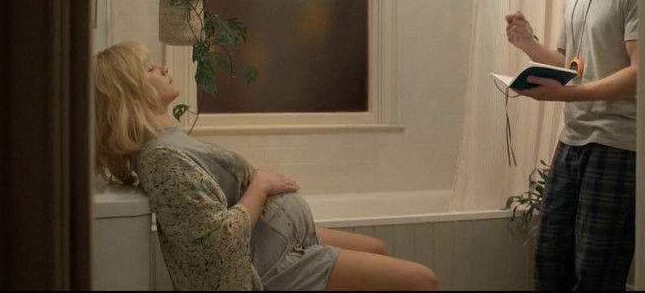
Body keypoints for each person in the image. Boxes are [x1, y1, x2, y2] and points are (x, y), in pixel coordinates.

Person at [94, 41, 439, 291]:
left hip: (274, 242)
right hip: (268, 266)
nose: (163, 68)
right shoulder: (162, 159)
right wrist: (261, 185)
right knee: (422, 281)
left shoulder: (167, 142)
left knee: (377, 249)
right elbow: (215, 247)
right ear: (131, 92)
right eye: (149, 68)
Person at [505, 0, 637, 290]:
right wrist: (529, 45)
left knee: (597, 273)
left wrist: (565, 94)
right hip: (573, 140)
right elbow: (572, 64)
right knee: (549, 260)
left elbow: (641, 74)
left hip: (617, 143)